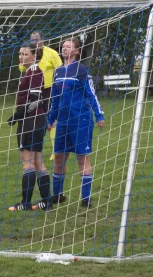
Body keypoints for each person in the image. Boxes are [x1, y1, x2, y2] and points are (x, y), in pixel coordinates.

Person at [46, 38, 105, 208]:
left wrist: (99, 115)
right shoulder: (57, 72)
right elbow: (55, 100)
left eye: (69, 46)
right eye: (63, 46)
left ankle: (86, 199)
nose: (64, 49)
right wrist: (51, 119)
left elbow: (91, 94)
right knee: (59, 157)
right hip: (63, 122)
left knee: (82, 158)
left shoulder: (82, 70)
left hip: (81, 120)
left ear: (77, 51)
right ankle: (57, 196)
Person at [7, 43, 51, 212]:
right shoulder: (31, 71)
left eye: (25, 54)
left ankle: (25, 203)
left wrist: (15, 117)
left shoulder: (34, 71)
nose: (21, 56)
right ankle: (46, 202)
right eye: (19, 53)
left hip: (30, 121)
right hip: (37, 120)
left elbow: (34, 100)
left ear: (34, 56)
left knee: (28, 163)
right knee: (38, 161)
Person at [24, 31, 63, 160]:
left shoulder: (52, 53)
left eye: (36, 39)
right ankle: (34, 149)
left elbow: (61, 70)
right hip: (34, 91)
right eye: (32, 40)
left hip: (50, 89)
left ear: (42, 39)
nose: (34, 42)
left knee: (53, 119)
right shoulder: (29, 53)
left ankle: (55, 150)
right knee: (36, 120)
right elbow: (22, 68)